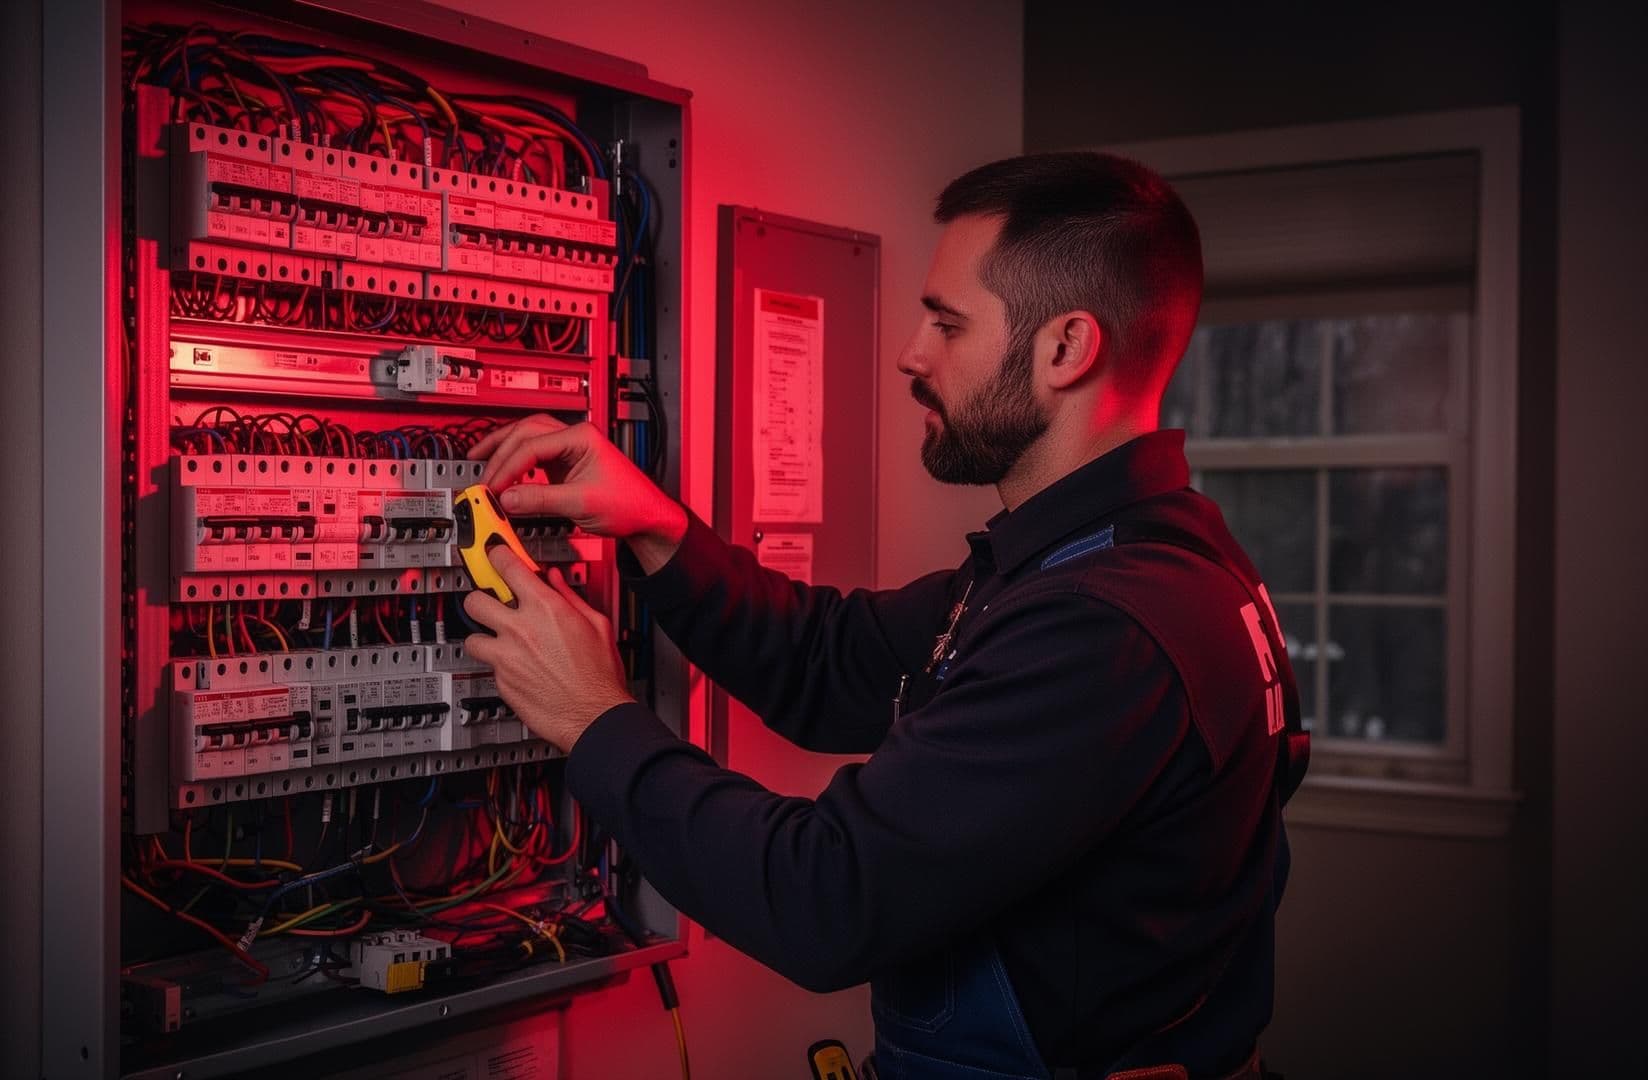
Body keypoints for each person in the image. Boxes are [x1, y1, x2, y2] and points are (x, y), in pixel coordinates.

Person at [461, 152, 1307, 1080]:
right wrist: (661, 529)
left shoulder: (1107, 626)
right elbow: (830, 661)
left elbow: (826, 898)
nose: (912, 351)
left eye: (947, 323)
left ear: (1067, 348)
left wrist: (593, 720)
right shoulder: (1132, 553)